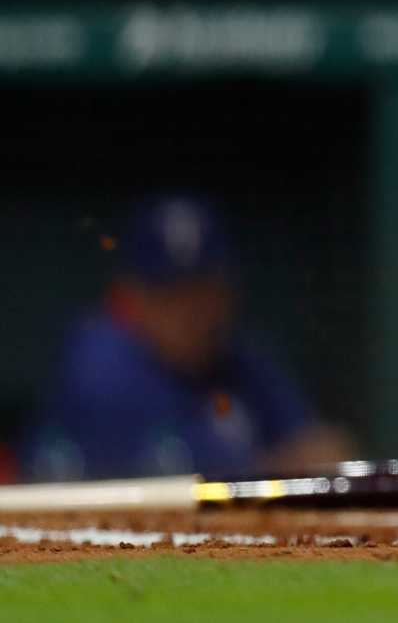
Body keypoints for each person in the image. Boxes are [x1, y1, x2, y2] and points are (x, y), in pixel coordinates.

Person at [26, 195, 348, 481]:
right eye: (171, 295)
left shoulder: (239, 358)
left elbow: (324, 448)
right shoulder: (97, 363)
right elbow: (164, 483)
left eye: (205, 290)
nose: (193, 313)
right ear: (130, 296)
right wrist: (274, 465)